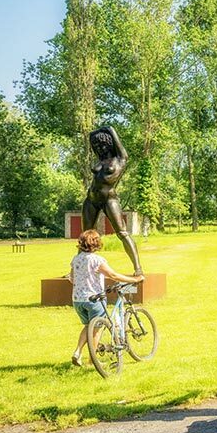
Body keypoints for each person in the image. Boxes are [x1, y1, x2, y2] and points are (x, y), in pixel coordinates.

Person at [68, 229, 143, 366]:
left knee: (87, 326)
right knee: (97, 329)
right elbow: (112, 275)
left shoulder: (76, 259)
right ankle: (92, 361)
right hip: (94, 299)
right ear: (96, 243)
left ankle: (77, 352)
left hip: (78, 300)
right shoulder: (97, 260)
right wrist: (133, 279)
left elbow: (72, 278)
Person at [82, 126, 143, 275]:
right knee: (86, 236)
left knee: (122, 233)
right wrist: (94, 137)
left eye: (102, 145)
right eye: (96, 146)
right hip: (91, 199)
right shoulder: (100, 160)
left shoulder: (120, 159)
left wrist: (107, 130)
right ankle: (77, 271)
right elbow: (91, 137)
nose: (99, 148)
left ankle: (138, 268)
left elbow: (113, 133)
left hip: (109, 199)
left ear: (109, 144)